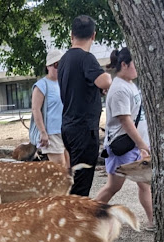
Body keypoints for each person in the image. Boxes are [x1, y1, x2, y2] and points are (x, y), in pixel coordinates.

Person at [94, 47, 153, 230]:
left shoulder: (128, 84)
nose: (138, 67)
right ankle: (86, 215)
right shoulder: (119, 88)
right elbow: (125, 121)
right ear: (124, 64)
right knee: (113, 187)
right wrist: (142, 144)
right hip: (123, 146)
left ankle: (153, 221)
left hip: (132, 146)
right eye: (135, 63)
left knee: (144, 185)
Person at [58, 14, 112, 196]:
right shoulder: (86, 58)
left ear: (71, 35)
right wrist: (105, 82)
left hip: (68, 127)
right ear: (93, 35)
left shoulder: (64, 60)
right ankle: (74, 222)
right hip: (83, 130)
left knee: (73, 180)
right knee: (81, 186)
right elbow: (105, 81)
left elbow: (78, 87)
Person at [31, 49, 66, 166]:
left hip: (66, 131)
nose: (59, 68)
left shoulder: (64, 83)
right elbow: (36, 109)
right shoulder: (42, 85)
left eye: (62, 64)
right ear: (48, 66)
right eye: (56, 65)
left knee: (69, 169)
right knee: (60, 168)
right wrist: (43, 132)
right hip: (51, 133)